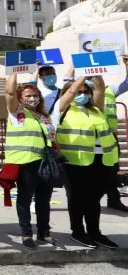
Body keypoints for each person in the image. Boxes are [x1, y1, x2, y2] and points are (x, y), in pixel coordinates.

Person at [55, 76, 119, 249]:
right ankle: (78, 231)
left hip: (102, 160)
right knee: (77, 198)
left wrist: (97, 72)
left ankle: (95, 232)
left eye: (86, 92)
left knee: (94, 198)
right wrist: (83, 74)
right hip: (76, 162)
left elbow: (100, 89)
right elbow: (70, 91)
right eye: (79, 91)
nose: (82, 94)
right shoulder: (63, 108)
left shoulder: (96, 109)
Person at [4, 73, 56, 250]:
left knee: (43, 200)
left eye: (35, 95)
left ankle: (43, 232)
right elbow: (9, 94)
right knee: (25, 199)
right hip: (26, 163)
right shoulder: (16, 113)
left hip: (45, 163)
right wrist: (14, 73)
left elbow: (52, 138)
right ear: (20, 99)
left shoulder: (43, 116)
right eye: (28, 96)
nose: (32, 98)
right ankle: (26, 234)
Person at [101, 54, 128, 212]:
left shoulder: (109, 90)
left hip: (110, 137)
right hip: (88, 139)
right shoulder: (80, 92)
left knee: (112, 169)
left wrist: (126, 65)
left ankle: (114, 199)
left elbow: (126, 84)